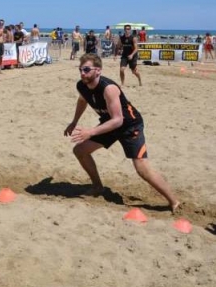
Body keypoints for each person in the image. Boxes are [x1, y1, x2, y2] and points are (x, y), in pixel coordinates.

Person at [64, 54, 180, 213]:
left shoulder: (109, 88)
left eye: (86, 69)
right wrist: (74, 121)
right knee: (80, 150)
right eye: (80, 69)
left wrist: (90, 132)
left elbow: (118, 120)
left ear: (98, 70)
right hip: (109, 124)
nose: (82, 73)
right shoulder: (82, 86)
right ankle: (97, 186)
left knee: (142, 169)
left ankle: (174, 201)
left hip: (130, 126)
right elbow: (82, 100)